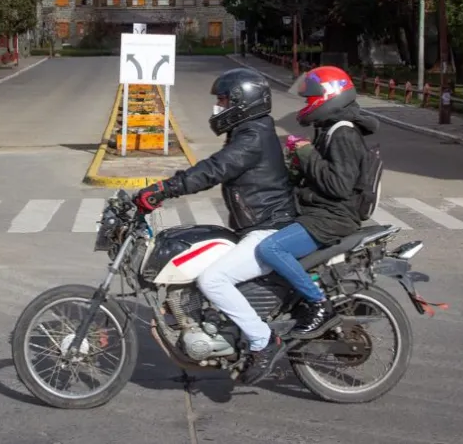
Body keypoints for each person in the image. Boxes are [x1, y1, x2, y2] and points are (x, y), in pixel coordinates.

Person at [132, 67, 297, 385]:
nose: (218, 108)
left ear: (243, 101)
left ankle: (263, 342)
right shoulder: (251, 130)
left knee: (213, 279)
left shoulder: (252, 136)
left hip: (268, 228)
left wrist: (164, 189)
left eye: (223, 101)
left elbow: (215, 169)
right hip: (257, 224)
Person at [254, 65, 379, 345]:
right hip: (322, 211)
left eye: (311, 99)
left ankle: (317, 303)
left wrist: (306, 152)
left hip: (332, 217)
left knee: (271, 248)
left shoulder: (343, 132)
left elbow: (338, 185)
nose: (307, 104)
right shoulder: (331, 128)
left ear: (330, 96)